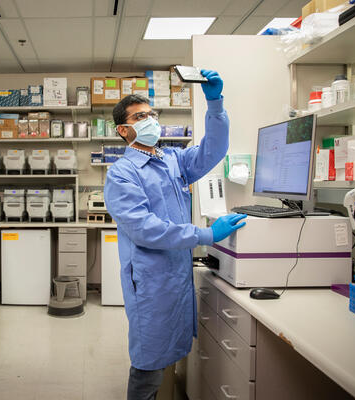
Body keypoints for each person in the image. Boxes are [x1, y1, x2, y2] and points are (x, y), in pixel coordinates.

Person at [104, 70, 247, 400]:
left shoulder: (171, 159)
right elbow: (145, 229)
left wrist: (215, 104)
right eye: (141, 117)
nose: (151, 120)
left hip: (176, 276)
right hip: (152, 282)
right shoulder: (122, 174)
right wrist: (206, 234)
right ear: (124, 130)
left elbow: (213, 150)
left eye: (152, 114)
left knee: (167, 356)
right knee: (148, 363)